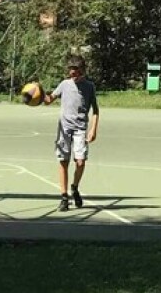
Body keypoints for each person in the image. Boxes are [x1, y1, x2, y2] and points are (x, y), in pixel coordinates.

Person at [42, 54, 99, 211]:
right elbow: (49, 100)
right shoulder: (64, 84)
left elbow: (95, 110)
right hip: (64, 129)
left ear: (82, 70)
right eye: (70, 71)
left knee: (80, 161)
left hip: (80, 128)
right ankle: (64, 197)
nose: (72, 74)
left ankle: (74, 187)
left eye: (75, 71)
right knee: (63, 161)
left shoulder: (89, 86)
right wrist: (38, 94)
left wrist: (93, 129)